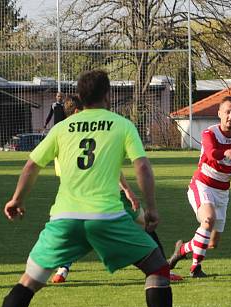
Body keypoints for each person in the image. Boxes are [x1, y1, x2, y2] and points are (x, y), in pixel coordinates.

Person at [0, 70, 201, 307]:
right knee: (157, 266)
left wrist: (17, 199)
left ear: (80, 97)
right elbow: (142, 166)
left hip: (64, 219)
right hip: (106, 218)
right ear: (107, 95)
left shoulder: (62, 128)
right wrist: (152, 207)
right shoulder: (121, 125)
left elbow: (32, 165)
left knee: (29, 281)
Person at [49, 94, 182, 283]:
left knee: (75, 233)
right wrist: (127, 190)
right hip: (107, 195)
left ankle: (61, 270)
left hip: (73, 197)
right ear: (78, 111)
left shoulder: (61, 135)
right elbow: (108, 166)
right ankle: (163, 270)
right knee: (145, 225)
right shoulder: (91, 133)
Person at [167, 96, 231, 278]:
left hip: (223, 191)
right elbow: (211, 153)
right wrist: (224, 152)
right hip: (203, 184)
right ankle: (196, 268)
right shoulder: (209, 133)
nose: (230, 116)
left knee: (212, 243)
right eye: (227, 112)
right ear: (219, 113)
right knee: (208, 219)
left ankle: (182, 250)